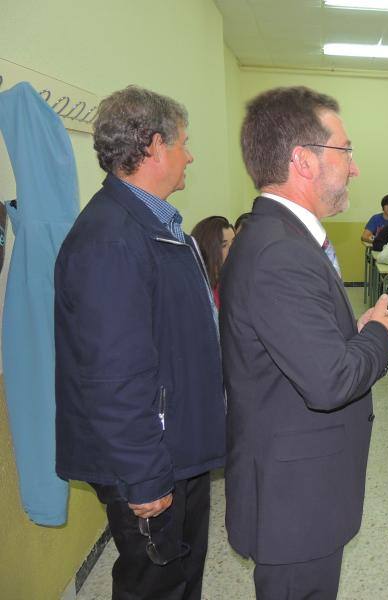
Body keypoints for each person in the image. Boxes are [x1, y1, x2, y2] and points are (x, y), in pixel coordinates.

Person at [220, 86, 388, 599]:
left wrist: (354, 331)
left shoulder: (283, 238)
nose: (355, 168)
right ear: (303, 160)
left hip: (301, 487)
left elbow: (303, 348)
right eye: (345, 152)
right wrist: (378, 337)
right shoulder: (280, 252)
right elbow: (328, 382)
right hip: (293, 498)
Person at [54, 86, 226, 600]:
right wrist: (146, 478)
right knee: (155, 585)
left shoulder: (155, 227)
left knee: (180, 576)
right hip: (152, 461)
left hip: (175, 449)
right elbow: (113, 375)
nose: (190, 154)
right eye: (184, 143)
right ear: (154, 145)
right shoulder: (111, 239)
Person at [191, 215, 235, 309]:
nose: (232, 249)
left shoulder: (234, 281)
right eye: (224, 245)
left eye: (234, 243)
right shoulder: (197, 288)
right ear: (208, 248)